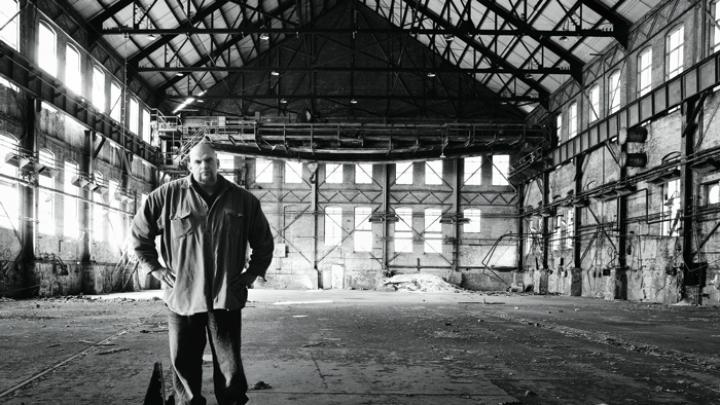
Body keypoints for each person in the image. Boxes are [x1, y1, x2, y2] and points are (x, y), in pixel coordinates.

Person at [131, 141, 274, 405]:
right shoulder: (166, 197)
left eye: (209, 160)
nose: (204, 166)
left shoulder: (243, 201)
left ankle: (231, 402)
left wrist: (252, 273)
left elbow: (264, 242)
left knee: (229, 363)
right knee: (184, 361)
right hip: (183, 295)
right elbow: (140, 234)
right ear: (189, 165)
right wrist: (156, 269)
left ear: (218, 164)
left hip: (225, 296)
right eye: (198, 161)